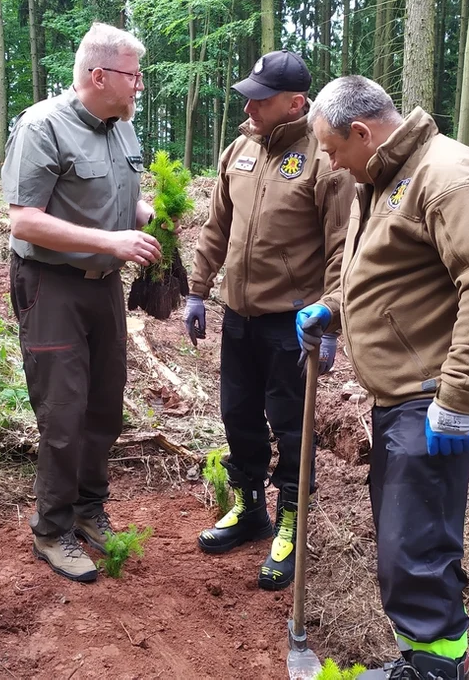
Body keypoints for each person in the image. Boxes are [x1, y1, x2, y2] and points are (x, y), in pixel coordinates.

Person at [298, 76, 469, 680]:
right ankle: (422, 661)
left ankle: (434, 670)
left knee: (414, 547)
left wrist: (459, 397)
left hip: (434, 394)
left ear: (363, 133)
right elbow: (388, 271)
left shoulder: (451, 177)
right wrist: (336, 308)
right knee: (405, 537)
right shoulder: (381, 178)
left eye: (331, 147)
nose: (327, 160)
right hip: (402, 390)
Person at [187, 50, 355, 591]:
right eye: (249, 95)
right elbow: (217, 226)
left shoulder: (325, 161)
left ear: (295, 103)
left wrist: (330, 321)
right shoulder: (239, 150)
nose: (250, 106)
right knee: (238, 416)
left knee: (291, 425)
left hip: (294, 323)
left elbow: (341, 248)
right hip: (239, 316)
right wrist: (197, 290)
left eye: (261, 98)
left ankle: (289, 525)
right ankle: (250, 509)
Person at [2, 22, 159, 583]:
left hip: (103, 286)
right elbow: (24, 220)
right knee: (63, 412)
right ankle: (52, 528)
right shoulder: (43, 126)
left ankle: (90, 509)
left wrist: (137, 216)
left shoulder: (122, 128)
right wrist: (110, 240)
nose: (139, 85)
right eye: (133, 75)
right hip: (52, 285)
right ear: (99, 75)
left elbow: (124, 193)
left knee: (103, 405)